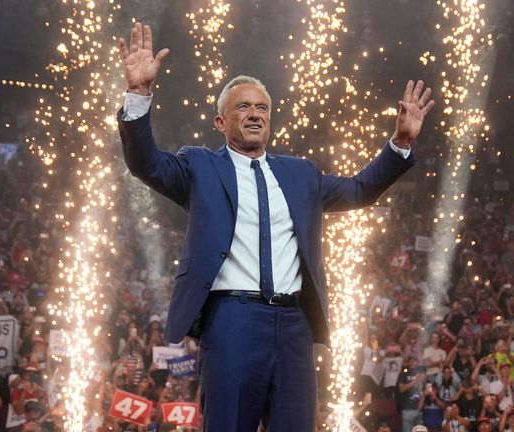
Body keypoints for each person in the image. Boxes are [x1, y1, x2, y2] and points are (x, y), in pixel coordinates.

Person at [116, 21, 435, 431]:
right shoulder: (199, 166)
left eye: (262, 108)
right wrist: (139, 95)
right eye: (243, 107)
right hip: (230, 320)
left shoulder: (301, 174)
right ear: (220, 121)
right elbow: (145, 162)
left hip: (294, 327)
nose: (255, 114)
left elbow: (359, 191)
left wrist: (401, 144)